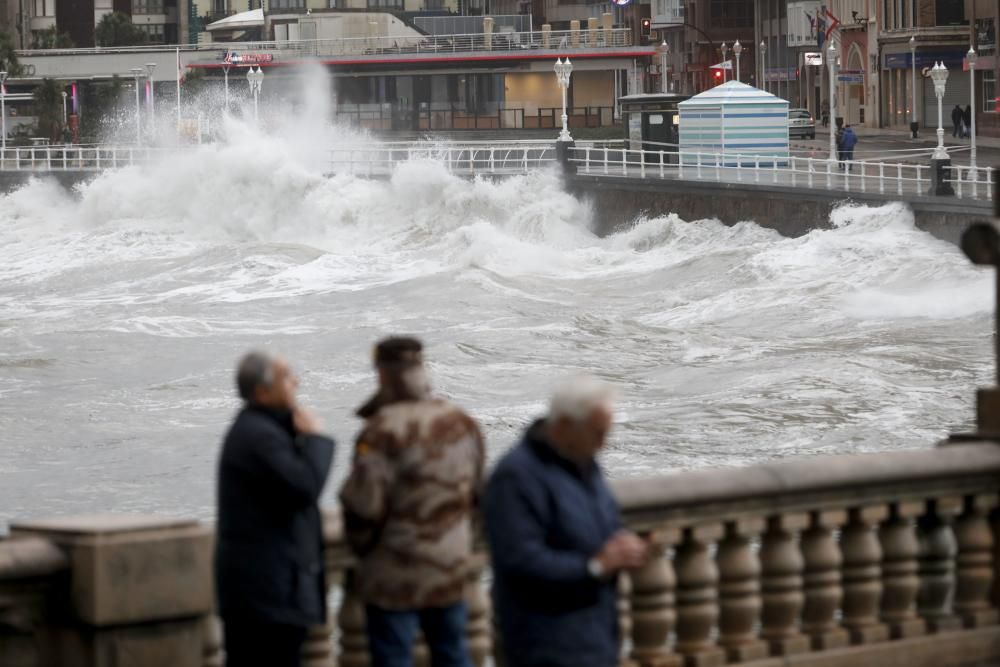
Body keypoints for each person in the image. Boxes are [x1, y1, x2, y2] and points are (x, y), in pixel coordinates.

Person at [340, 337, 485, 667]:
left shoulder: (381, 431)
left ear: (382, 374)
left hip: (395, 576)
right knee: (454, 654)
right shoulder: (462, 422)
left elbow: (364, 507)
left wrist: (363, 551)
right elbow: (478, 496)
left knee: (394, 658)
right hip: (450, 568)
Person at [484, 377, 648, 667]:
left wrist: (623, 542)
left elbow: (603, 522)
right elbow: (521, 562)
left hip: (595, 634)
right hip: (545, 642)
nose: (604, 444)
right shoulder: (515, 477)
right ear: (563, 426)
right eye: (597, 434)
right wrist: (595, 567)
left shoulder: (585, 463)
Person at [215, 352, 336, 667]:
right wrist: (315, 440)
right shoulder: (259, 437)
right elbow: (304, 487)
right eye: (286, 376)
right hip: (266, 598)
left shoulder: (261, 430)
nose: (296, 381)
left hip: (266, 592)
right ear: (262, 392)